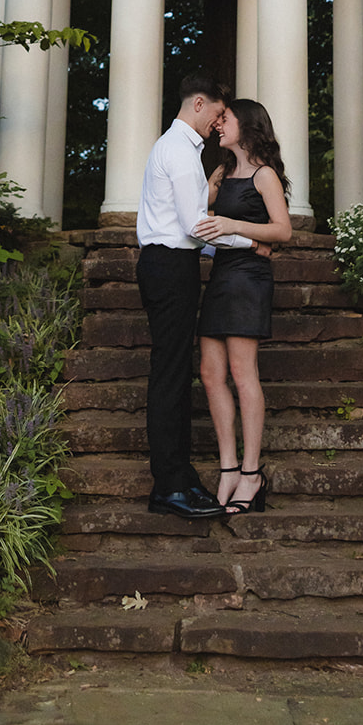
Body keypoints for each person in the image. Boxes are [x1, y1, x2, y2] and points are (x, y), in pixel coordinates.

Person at [135, 71, 262, 521]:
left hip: (171, 264)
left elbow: (191, 228)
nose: (219, 121)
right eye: (218, 112)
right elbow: (197, 225)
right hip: (169, 267)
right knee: (169, 375)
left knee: (174, 372)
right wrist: (252, 243)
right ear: (198, 104)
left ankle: (181, 476)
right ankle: (169, 486)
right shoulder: (180, 151)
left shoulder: (175, 147)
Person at [193, 98, 292, 514]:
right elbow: (199, 215)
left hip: (250, 279)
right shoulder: (221, 171)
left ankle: (253, 474)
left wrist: (235, 225)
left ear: (247, 126)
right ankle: (228, 468)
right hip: (221, 275)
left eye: (225, 119)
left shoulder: (264, 174)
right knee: (210, 373)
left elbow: (283, 230)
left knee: (241, 371)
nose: (218, 125)